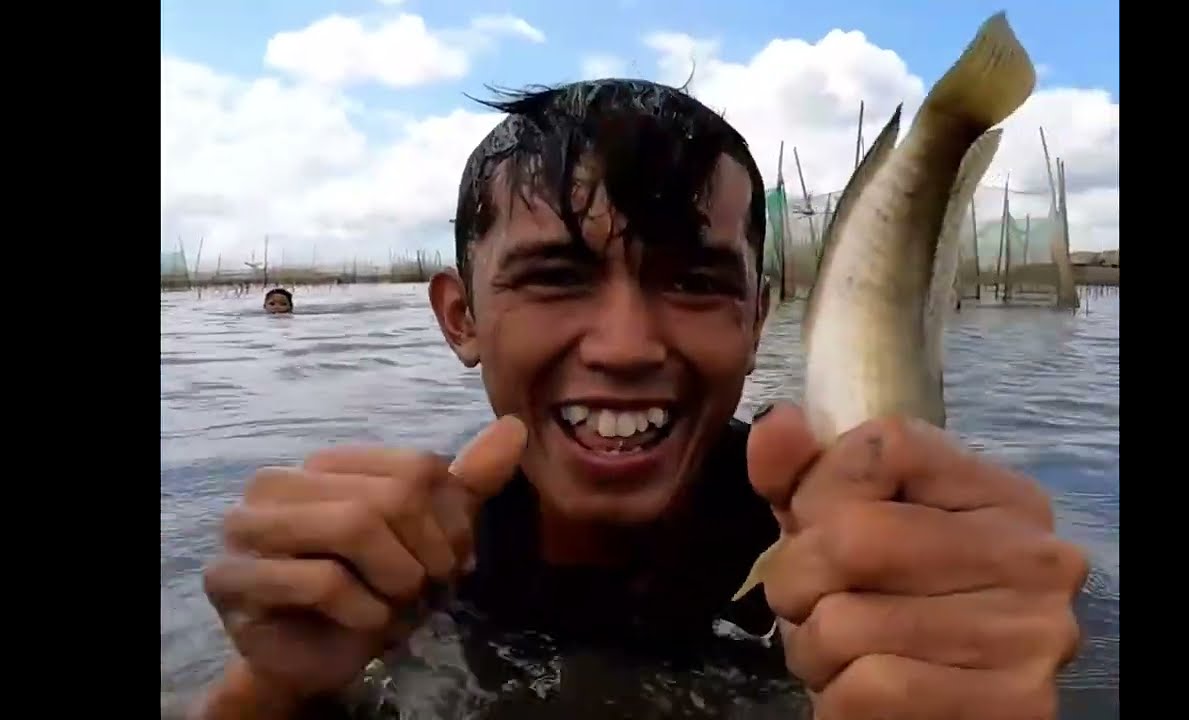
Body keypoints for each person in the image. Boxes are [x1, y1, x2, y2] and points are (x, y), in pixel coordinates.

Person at [195, 79, 1087, 719]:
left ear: (756, 319)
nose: (625, 348)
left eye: (695, 283)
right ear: (461, 317)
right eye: (554, 280)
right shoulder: (392, 569)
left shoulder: (874, 550)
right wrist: (269, 692)